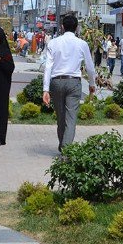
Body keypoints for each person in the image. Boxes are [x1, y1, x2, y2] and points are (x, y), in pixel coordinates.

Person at [42, 14, 97, 152]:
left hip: (56, 82)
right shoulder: (82, 44)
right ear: (77, 27)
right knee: (71, 118)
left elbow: (48, 66)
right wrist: (92, 84)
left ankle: (63, 146)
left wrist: (45, 89)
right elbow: (90, 67)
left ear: (62, 27)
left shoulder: (53, 43)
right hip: (73, 83)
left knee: (61, 117)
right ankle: (66, 148)